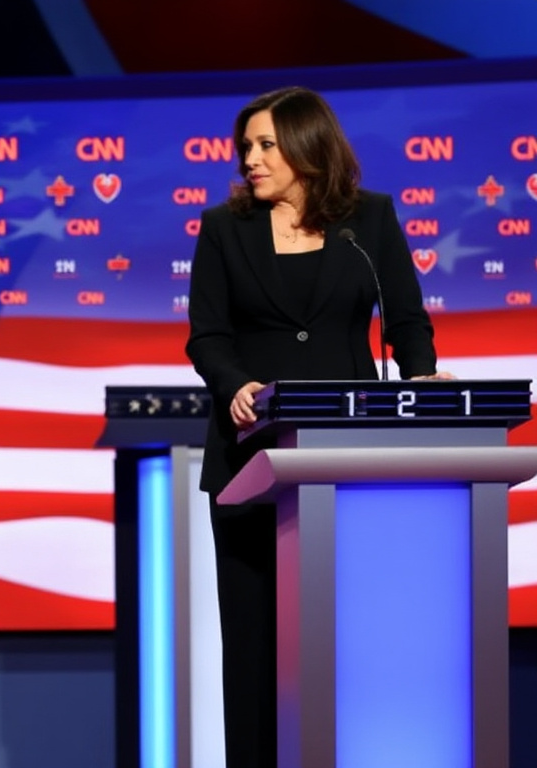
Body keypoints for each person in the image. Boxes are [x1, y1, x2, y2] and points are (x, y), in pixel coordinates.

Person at [185, 86, 451, 767]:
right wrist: (235, 384)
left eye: (266, 144)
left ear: (307, 145)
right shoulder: (224, 229)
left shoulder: (369, 220)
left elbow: (407, 318)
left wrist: (419, 375)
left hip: (348, 454)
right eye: (245, 146)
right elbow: (207, 336)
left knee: (348, 637)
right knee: (252, 642)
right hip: (250, 461)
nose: (250, 158)